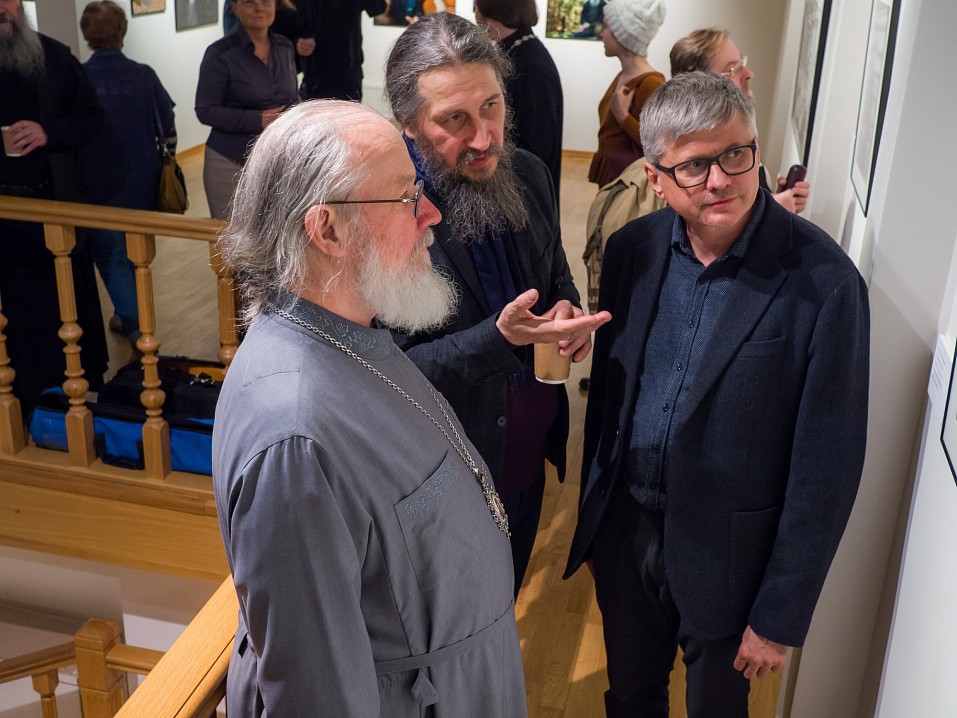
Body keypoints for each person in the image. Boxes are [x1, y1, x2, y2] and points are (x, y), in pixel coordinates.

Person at [565, 72, 870, 717]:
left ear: (755, 148)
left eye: (735, 154)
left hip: (734, 559)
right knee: (630, 699)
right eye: (694, 166)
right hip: (629, 534)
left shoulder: (826, 283)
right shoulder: (631, 251)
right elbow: (612, 398)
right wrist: (598, 527)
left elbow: (828, 466)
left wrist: (780, 613)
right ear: (655, 178)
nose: (720, 180)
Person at [213, 99, 527, 716]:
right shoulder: (295, 439)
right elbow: (316, 696)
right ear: (327, 230)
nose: (432, 214)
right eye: (407, 197)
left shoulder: (349, 332)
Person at [384, 13, 610, 595]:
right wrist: (499, 339)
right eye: (454, 119)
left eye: (491, 107)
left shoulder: (528, 174)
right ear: (409, 123)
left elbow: (555, 274)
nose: (484, 137)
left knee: (502, 608)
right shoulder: (386, 213)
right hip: (441, 482)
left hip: (525, 464)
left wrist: (566, 312)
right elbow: (382, 371)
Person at [0, 0, 109, 417]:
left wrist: (48, 131)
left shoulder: (55, 57)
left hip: (51, 209)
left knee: (62, 310)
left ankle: (66, 399)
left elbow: (93, 119)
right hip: (4, 220)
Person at [79, 0, 176, 349]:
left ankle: (138, 329)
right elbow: (168, 125)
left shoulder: (81, 77)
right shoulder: (143, 74)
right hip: (143, 176)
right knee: (137, 253)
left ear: (87, 34)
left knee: (111, 256)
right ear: (122, 30)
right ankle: (128, 316)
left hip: (96, 180)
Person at [670, 27, 811, 214]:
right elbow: (711, 223)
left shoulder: (739, 132)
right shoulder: (688, 154)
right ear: (701, 87)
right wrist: (772, 211)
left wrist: (774, 196)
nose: (749, 73)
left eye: (742, 62)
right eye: (733, 69)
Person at [195, 0, 297, 219]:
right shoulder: (220, 54)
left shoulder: (285, 47)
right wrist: (258, 119)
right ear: (235, 8)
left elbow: (291, 97)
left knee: (274, 233)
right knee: (229, 234)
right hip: (230, 160)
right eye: (250, 2)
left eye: (266, 2)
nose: (259, 8)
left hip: (277, 161)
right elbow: (205, 110)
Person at [475, 0, 564, 203]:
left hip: (523, 193)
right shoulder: (519, 51)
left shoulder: (530, 64)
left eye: (477, 7)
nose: (475, 15)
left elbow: (535, 147)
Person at [588, 0, 666, 188]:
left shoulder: (651, 84)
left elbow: (659, 145)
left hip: (628, 184)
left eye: (606, 26)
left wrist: (623, 117)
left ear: (622, 34)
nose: (601, 34)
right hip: (615, 177)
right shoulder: (623, 75)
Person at [294, 0, 385, 101]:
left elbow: (378, 8)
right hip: (314, 73)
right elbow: (291, 21)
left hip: (347, 74)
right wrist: (297, 41)